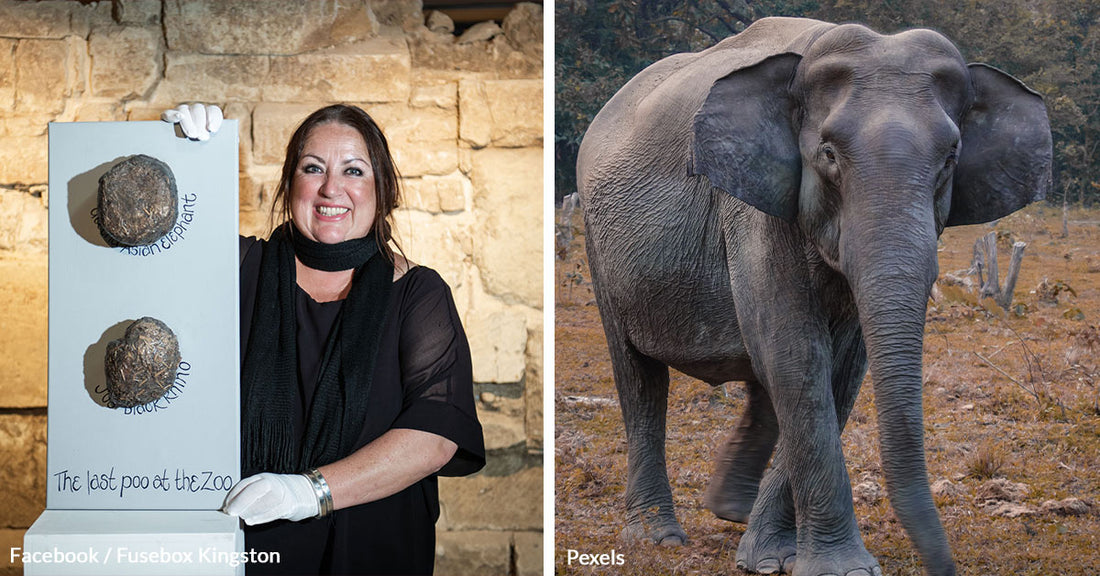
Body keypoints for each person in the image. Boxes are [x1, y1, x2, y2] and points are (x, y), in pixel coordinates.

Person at [164, 103, 486, 575]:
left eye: (353, 170)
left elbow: (435, 435)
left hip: (372, 554)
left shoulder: (419, 293)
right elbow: (150, 253)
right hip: (246, 552)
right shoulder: (235, 268)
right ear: (290, 183)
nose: (331, 188)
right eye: (313, 168)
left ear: (382, 190)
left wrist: (308, 492)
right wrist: (178, 157)